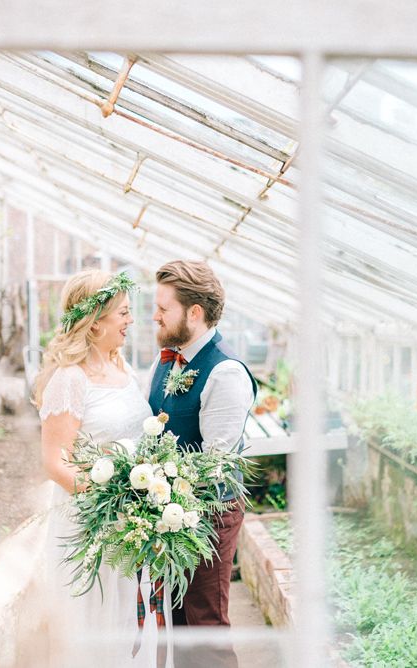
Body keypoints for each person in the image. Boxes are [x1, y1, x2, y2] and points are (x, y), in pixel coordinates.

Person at [34, 269, 166, 667]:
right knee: (93, 630)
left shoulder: (122, 369)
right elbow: (54, 463)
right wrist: (109, 502)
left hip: (129, 526)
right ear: (95, 323)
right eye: (123, 313)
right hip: (89, 525)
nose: (131, 321)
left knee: (129, 625)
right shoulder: (69, 380)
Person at [146, 260, 257, 668]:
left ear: (194, 313)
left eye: (163, 307)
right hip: (170, 511)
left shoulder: (225, 372)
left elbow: (215, 466)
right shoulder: (166, 358)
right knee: (173, 619)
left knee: (204, 623)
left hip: (209, 516)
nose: (154, 315)